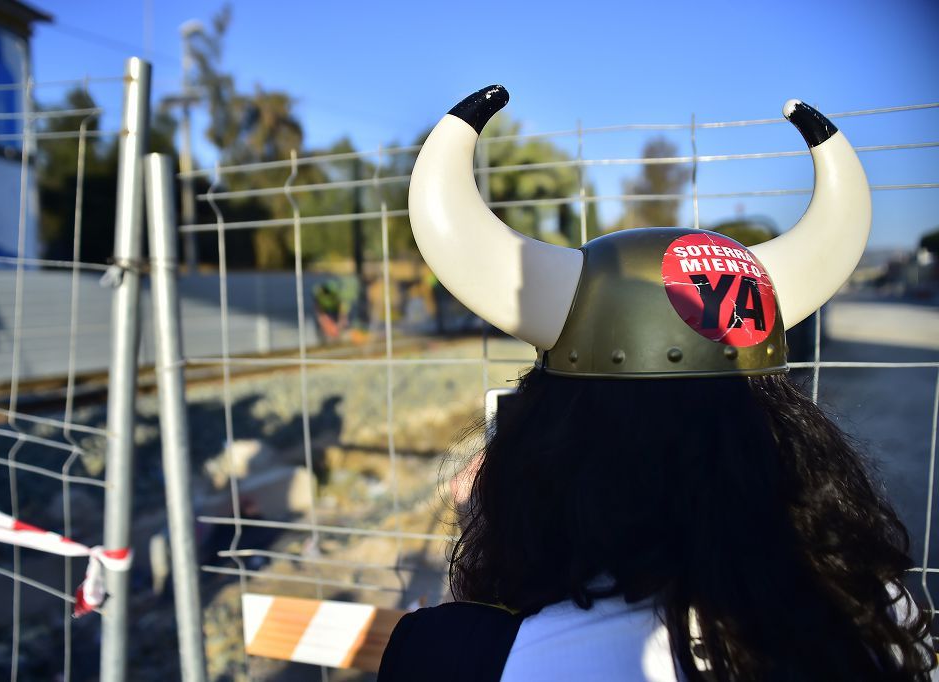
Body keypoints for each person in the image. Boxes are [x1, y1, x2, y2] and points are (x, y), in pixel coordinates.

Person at [378, 86, 937, 681]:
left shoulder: (459, 655)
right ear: (785, 428)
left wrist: (483, 551)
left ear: (548, 437)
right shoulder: (882, 615)